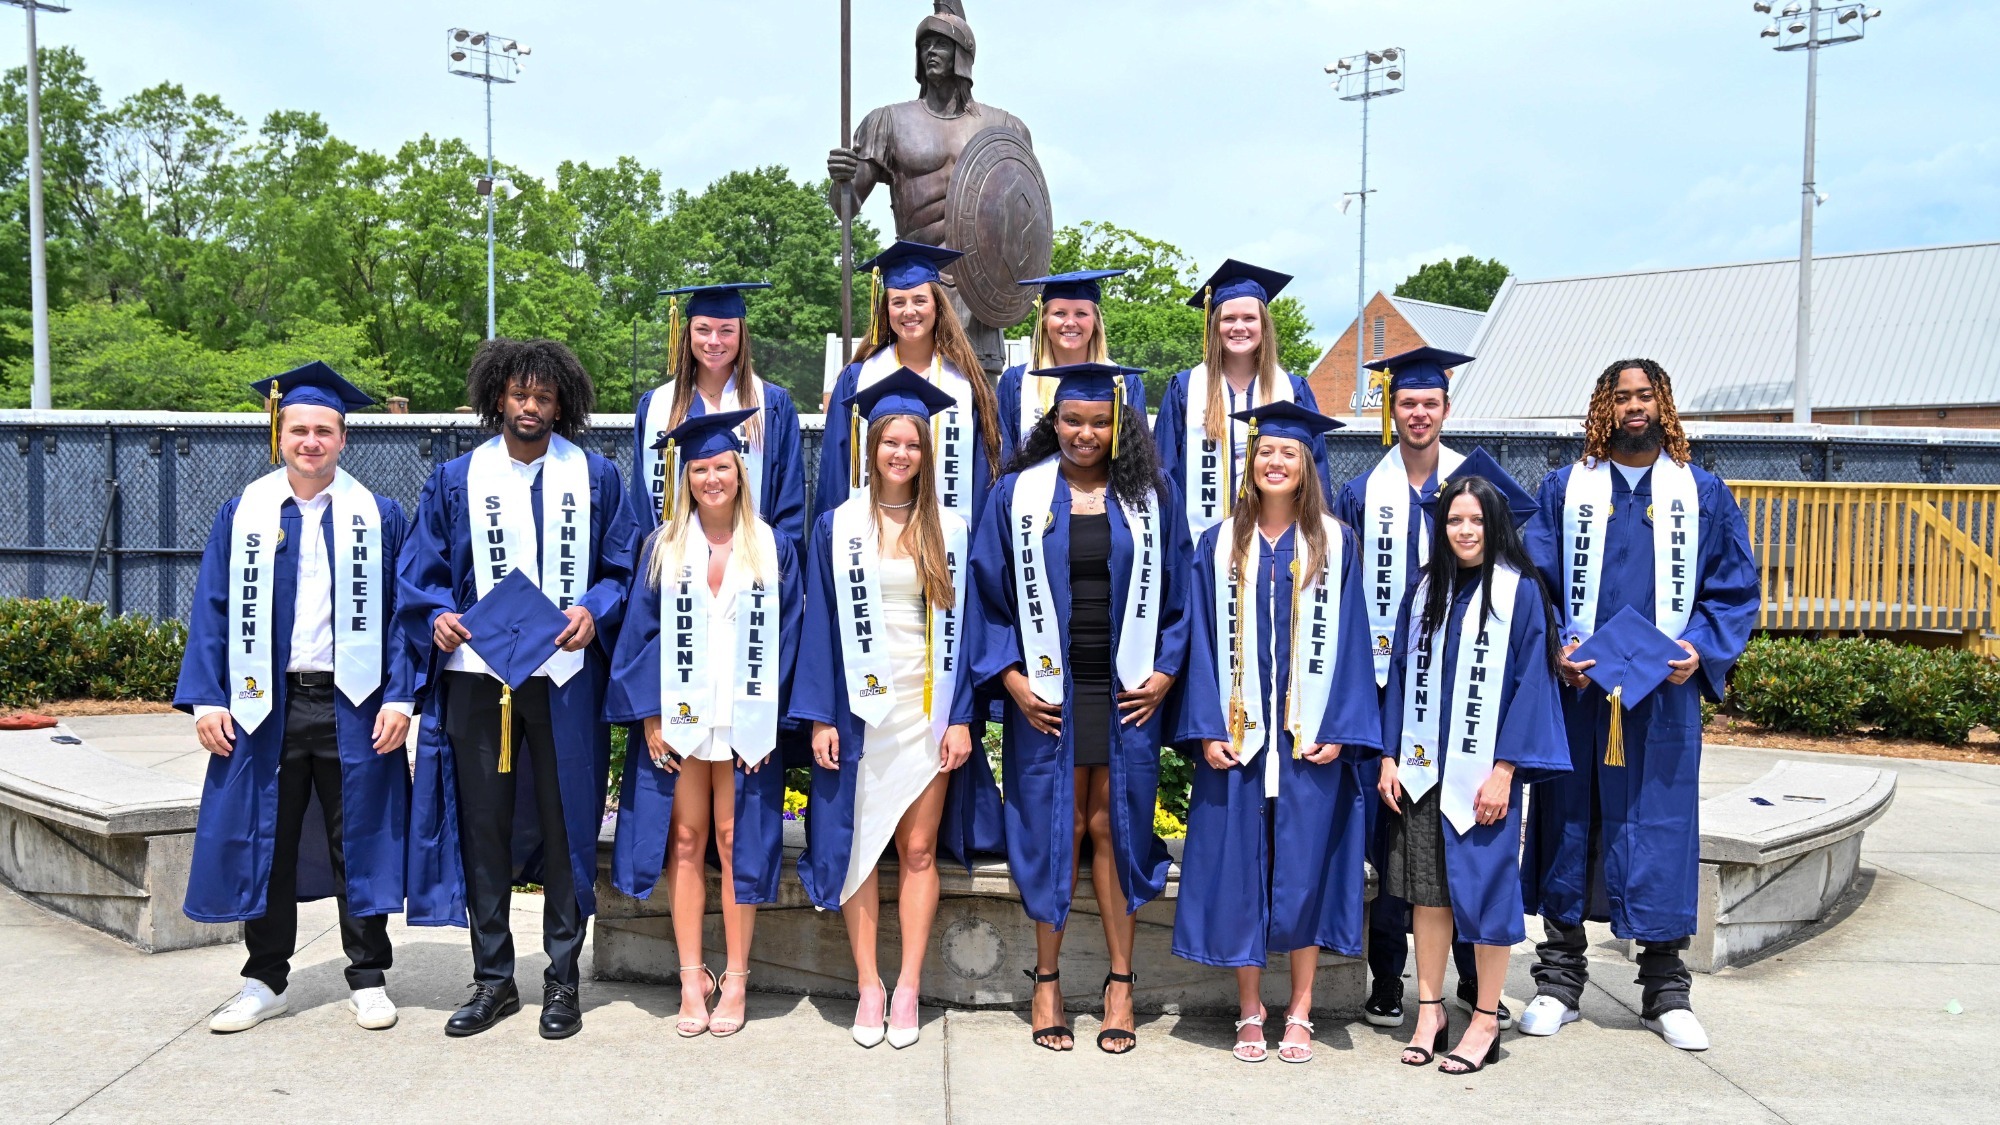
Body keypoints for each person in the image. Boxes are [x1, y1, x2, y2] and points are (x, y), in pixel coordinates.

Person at [399, 338, 638, 1040]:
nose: (531, 406)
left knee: (568, 825)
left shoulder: (596, 476)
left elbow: (623, 566)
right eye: (519, 394)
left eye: (544, 395)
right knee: (485, 827)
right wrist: (439, 615)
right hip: (481, 679)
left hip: (565, 677)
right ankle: (494, 978)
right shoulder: (456, 479)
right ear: (498, 396)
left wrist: (593, 608)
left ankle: (563, 978)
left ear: (561, 402)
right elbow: (425, 571)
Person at [1519, 358, 1758, 1051]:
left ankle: (1665, 990)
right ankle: (1560, 981)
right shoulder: (1567, 489)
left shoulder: (1703, 493)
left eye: (1643, 396)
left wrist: (1702, 650)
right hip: (1582, 693)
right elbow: (1535, 582)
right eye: (1621, 396)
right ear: (1604, 406)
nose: (1633, 407)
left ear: (1663, 406)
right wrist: (1558, 645)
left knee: (1659, 830)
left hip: (1663, 700)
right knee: (1568, 823)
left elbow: (1732, 588)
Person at [175, 362, 413, 1034]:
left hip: (354, 701)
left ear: (344, 439)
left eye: (324, 430)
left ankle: (368, 976)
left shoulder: (378, 515)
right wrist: (206, 697)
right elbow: (213, 609)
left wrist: (400, 695)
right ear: (280, 433)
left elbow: (402, 614)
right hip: (264, 705)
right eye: (299, 428)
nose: (311, 440)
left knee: (356, 837)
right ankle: (264, 978)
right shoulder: (244, 513)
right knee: (267, 839)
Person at [969, 362, 1192, 1054]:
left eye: (1099, 421)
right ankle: (1047, 980)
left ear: (1120, 426)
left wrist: (1163, 672)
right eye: (1073, 420)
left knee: (1113, 826)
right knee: (1056, 828)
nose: (1085, 433)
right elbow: (988, 594)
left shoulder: (1153, 496)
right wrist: (1010, 681)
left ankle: (1121, 982)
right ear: (1053, 422)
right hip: (1047, 692)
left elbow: (1182, 596)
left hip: (1124, 691)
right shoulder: (1016, 494)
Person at [792, 368, 997, 1051]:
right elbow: (818, 623)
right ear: (871, 448)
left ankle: (907, 984)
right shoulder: (837, 526)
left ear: (925, 452)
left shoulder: (954, 529)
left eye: (913, 443)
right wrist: (821, 713)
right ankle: (869, 983)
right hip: (858, 710)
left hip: (926, 705)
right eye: (890, 443)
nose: (901, 453)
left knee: (915, 849)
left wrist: (964, 715)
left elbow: (969, 634)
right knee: (857, 848)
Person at [1171, 401, 1382, 1065]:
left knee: (1304, 874)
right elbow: (1199, 641)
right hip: (1237, 742)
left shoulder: (1336, 542)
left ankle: (1300, 1009)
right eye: (1266, 452)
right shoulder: (1219, 544)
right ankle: (1249, 1007)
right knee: (1242, 874)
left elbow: (1352, 643)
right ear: (1252, 462)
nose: (1275, 462)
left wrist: (1342, 728)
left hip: (1307, 744)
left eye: (1288, 453)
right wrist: (1206, 726)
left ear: (1307, 463)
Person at [607, 408, 802, 1039]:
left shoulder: (773, 547)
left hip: (745, 721)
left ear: (740, 473)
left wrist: (769, 720)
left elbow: (792, 637)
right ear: (685, 477)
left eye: (722, 466)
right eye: (700, 469)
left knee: (733, 841)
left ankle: (737, 976)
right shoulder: (664, 548)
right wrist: (650, 715)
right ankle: (692, 977)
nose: (712, 478)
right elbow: (640, 633)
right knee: (685, 843)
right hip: (685, 721)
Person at [1377, 463, 1570, 1074]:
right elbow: (1401, 678)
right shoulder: (1423, 589)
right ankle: (1429, 1010)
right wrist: (1388, 754)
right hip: (1423, 771)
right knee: (1428, 900)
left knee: (1486, 902)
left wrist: (1506, 771)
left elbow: (1530, 687)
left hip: (1482, 778)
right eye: (1454, 519)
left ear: (1496, 526)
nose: (1464, 529)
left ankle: (1484, 1019)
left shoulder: (1520, 591)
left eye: (1476, 520)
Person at [1333, 346, 1502, 1029]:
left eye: (1430, 402)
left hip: (1462, 690)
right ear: (1390, 409)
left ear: (1446, 409)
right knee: (1391, 832)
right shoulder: (1361, 491)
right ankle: (1386, 976)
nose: (1419, 412)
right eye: (1407, 402)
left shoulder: (1473, 484)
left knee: (1459, 825)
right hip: (1383, 688)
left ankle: (1469, 974)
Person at [814, 240, 1005, 530]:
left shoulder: (966, 384)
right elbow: (836, 470)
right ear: (885, 310)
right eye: (898, 302)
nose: (909, 311)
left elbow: (981, 479)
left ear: (937, 306)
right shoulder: (857, 379)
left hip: (947, 538)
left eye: (919, 300)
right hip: (871, 539)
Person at [1153, 259, 1331, 546]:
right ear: (1214, 325)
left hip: (1279, 549)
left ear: (1264, 325)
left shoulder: (1292, 389)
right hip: (1199, 548)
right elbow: (1164, 473)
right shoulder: (1186, 389)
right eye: (1228, 318)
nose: (1239, 327)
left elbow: (1316, 473)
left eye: (1249, 318)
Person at [632, 281, 807, 554]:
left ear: (741, 336)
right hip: (674, 566)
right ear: (687, 333)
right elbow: (641, 504)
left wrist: (781, 566)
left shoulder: (771, 404)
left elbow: (790, 499)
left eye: (726, 331)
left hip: (753, 562)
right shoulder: (656, 406)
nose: (714, 341)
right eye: (703, 329)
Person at [995, 270, 1147, 455]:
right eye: (1060, 313)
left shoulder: (1124, 382)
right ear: (1043, 321)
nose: (1070, 322)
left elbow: (1137, 455)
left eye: (1081, 314)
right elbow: (1005, 456)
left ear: (1096, 322)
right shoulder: (1016, 382)